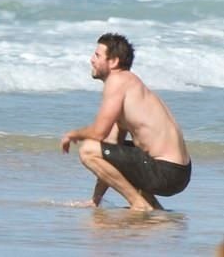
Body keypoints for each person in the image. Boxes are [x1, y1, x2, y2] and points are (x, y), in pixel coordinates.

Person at [61, 33, 191, 211]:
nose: (91, 60)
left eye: (97, 55)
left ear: (113, 61)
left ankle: (138, 204)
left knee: (87, 149)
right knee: (105, 150)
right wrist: (96, 199)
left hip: (167, 170)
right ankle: (154, 209)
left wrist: (72, 134)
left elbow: (99, 132)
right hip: (178, 173)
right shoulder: (130, 86)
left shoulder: (118, 80)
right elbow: (110, 148)